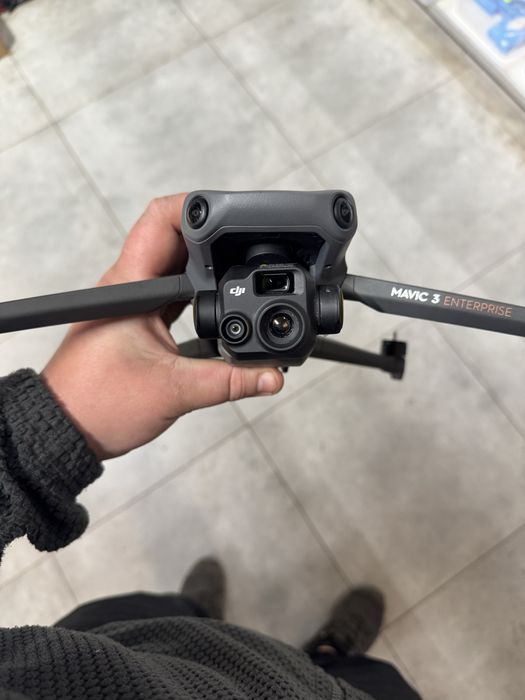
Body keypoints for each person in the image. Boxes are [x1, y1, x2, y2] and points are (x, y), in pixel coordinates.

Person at [0, 194, 421, 700]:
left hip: (102, 651)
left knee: (156, 619)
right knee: (373, 684)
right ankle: (331, 654)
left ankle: (193, 613)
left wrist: (43, 426)